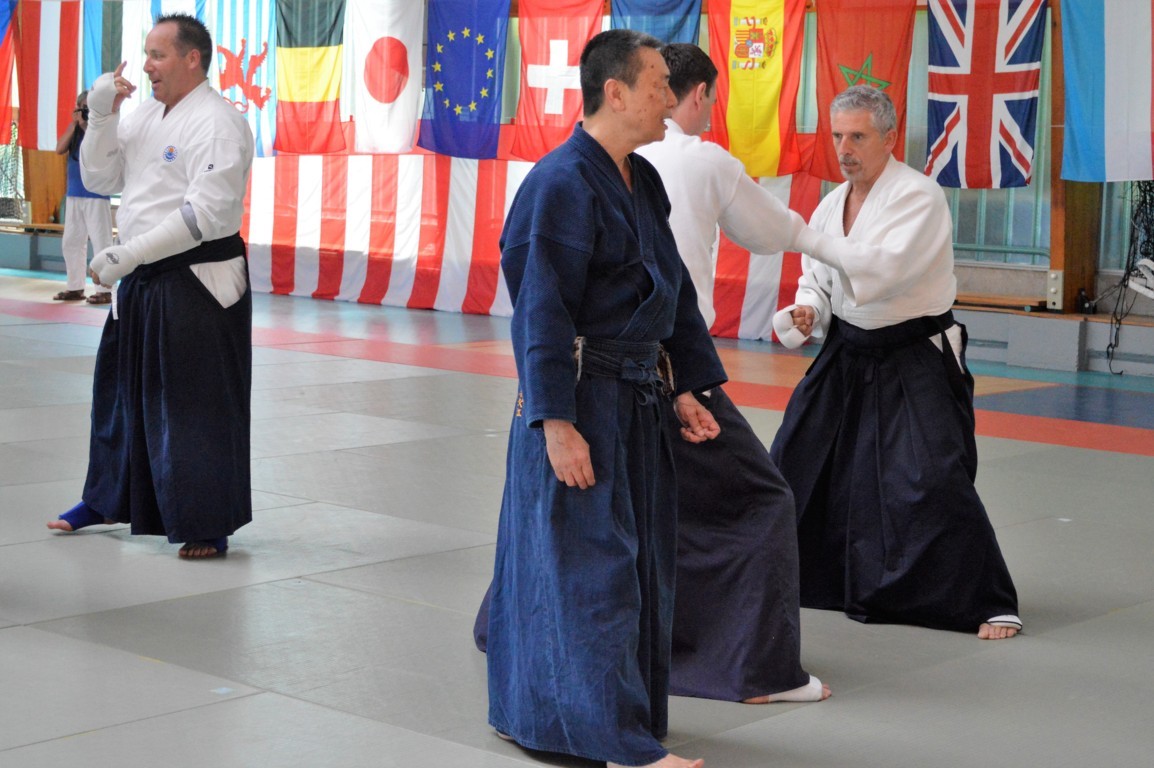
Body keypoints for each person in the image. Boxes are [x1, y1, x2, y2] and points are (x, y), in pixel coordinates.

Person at [485, 29, 725, 768]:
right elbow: (541, 312)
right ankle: (611, 740)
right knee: (592, 565)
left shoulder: (640, 179)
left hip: (637, 398)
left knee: (638, 560)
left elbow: (673, 291)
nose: (670, 99)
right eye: (658, 85)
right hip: (581, 399)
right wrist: (555, 422)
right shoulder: (559, 183)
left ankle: (596, 718)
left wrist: (685, 386)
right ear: (614, 92)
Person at [770, 84, 1022, 639]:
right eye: (838, 136)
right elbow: (818, 277)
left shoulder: (919, 197)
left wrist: (800, 236)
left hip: (913, 353)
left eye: (857, 137)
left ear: (889, 138)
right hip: (847, 351)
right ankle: (807, 577)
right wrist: (809, 309)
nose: (844, 149)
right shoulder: (832, 204)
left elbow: (880, 272)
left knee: (932, 474)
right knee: (796, 456)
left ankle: (985, 600)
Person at [631, 42, 830, 704]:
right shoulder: (701, 158)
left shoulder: (603, 162)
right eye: (710, 99)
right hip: (673, 368)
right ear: (695, 95)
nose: (710, 111)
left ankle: (533, 626)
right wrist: (835, 249)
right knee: (763, 500)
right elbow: (771, 231)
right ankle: (756, 668)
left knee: (630, 503)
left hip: (608, 372)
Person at [46, 13, 255, 560]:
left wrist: (129, 253)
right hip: (139, 276)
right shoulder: (143, 115)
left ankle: (208, 520)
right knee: (119, 394)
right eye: (146, 54)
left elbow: (206, 214)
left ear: (192, 58)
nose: (146, 66)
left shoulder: (218, 122)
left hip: (198, 278)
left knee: (196, 402)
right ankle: (106, 498)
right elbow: (101, 178)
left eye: (158, 55)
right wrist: (101, 115)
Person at [53, 91, 113, 305]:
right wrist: (74, 124)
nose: (87, 111)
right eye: (84, 107)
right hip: (74, 193)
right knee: (71, 241)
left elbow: (99, 148)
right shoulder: (75, 129)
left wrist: (87, 126)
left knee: (101, 241)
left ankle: (104, 289)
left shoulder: (102, 127)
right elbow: (59, 149)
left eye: (90, 107)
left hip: (96, 193)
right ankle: (75, 287)